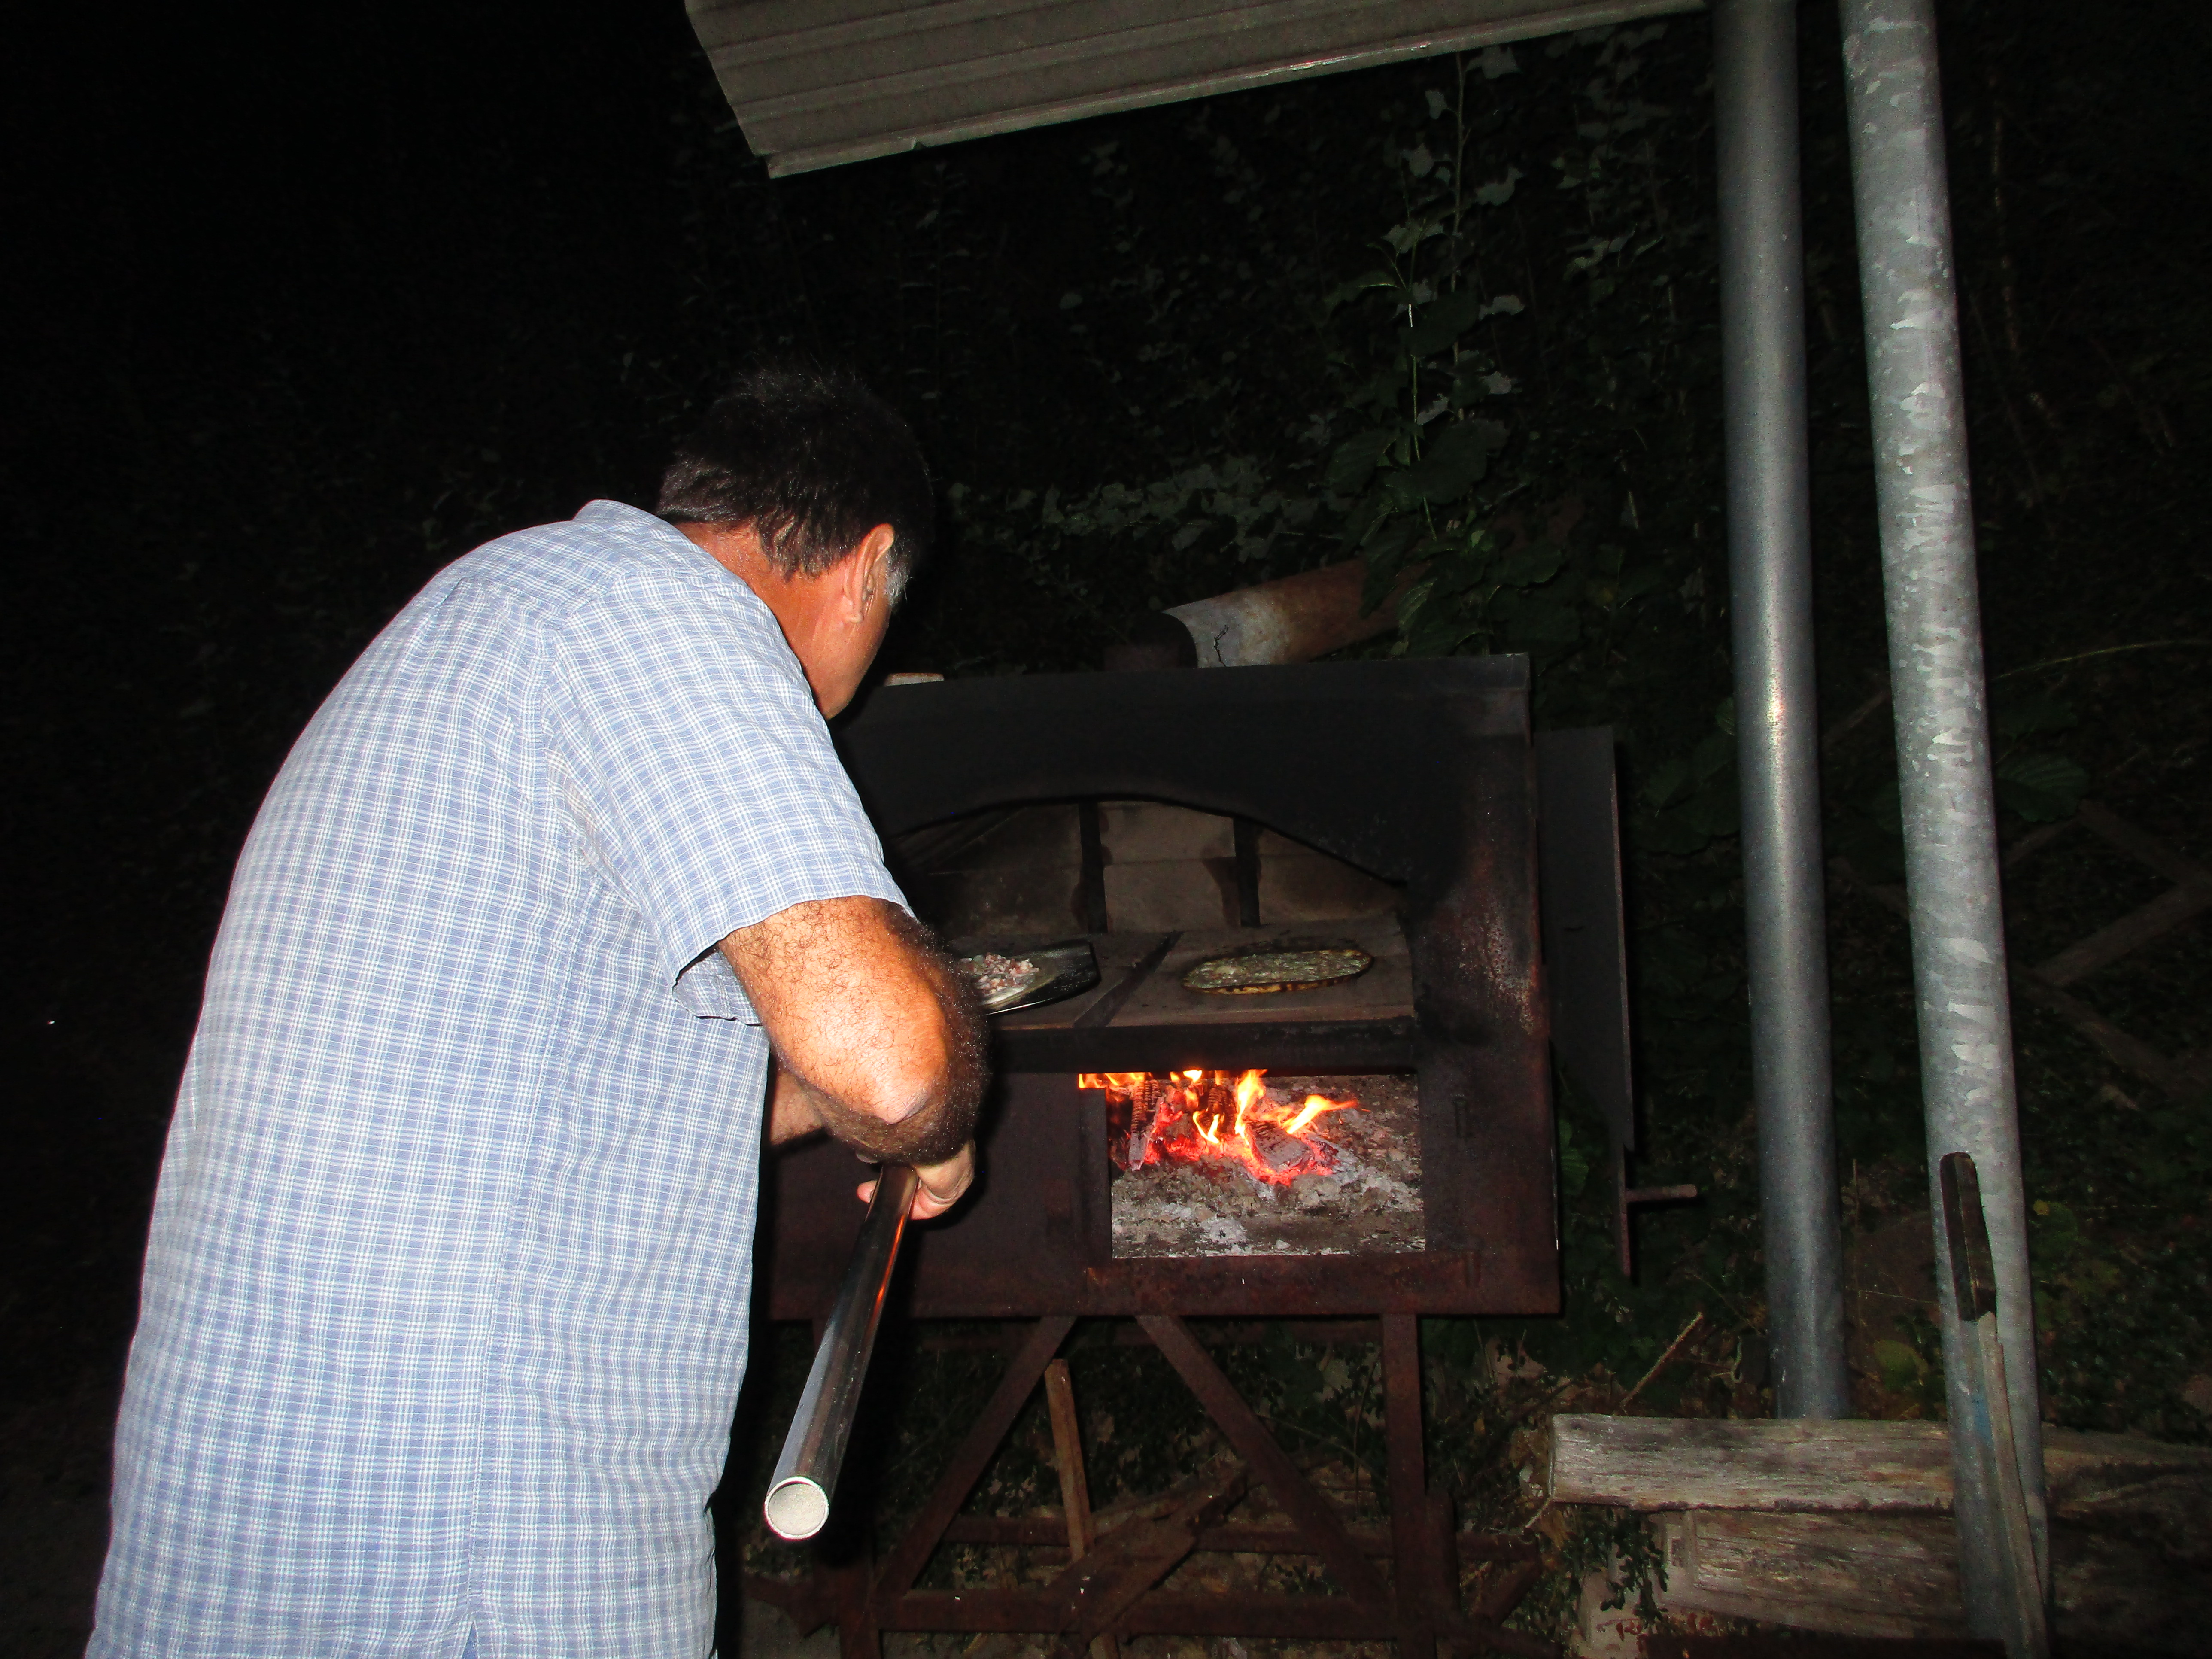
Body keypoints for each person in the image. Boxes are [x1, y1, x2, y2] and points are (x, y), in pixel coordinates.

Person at [90, 363, 985, 1658]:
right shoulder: (667, 616)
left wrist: (839, 1108)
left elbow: (579, 1086)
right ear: (865, 568)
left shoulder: (489, 608)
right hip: (468, 1536)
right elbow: (893, 1063)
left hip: (257, 1503)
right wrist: (929, 1119)